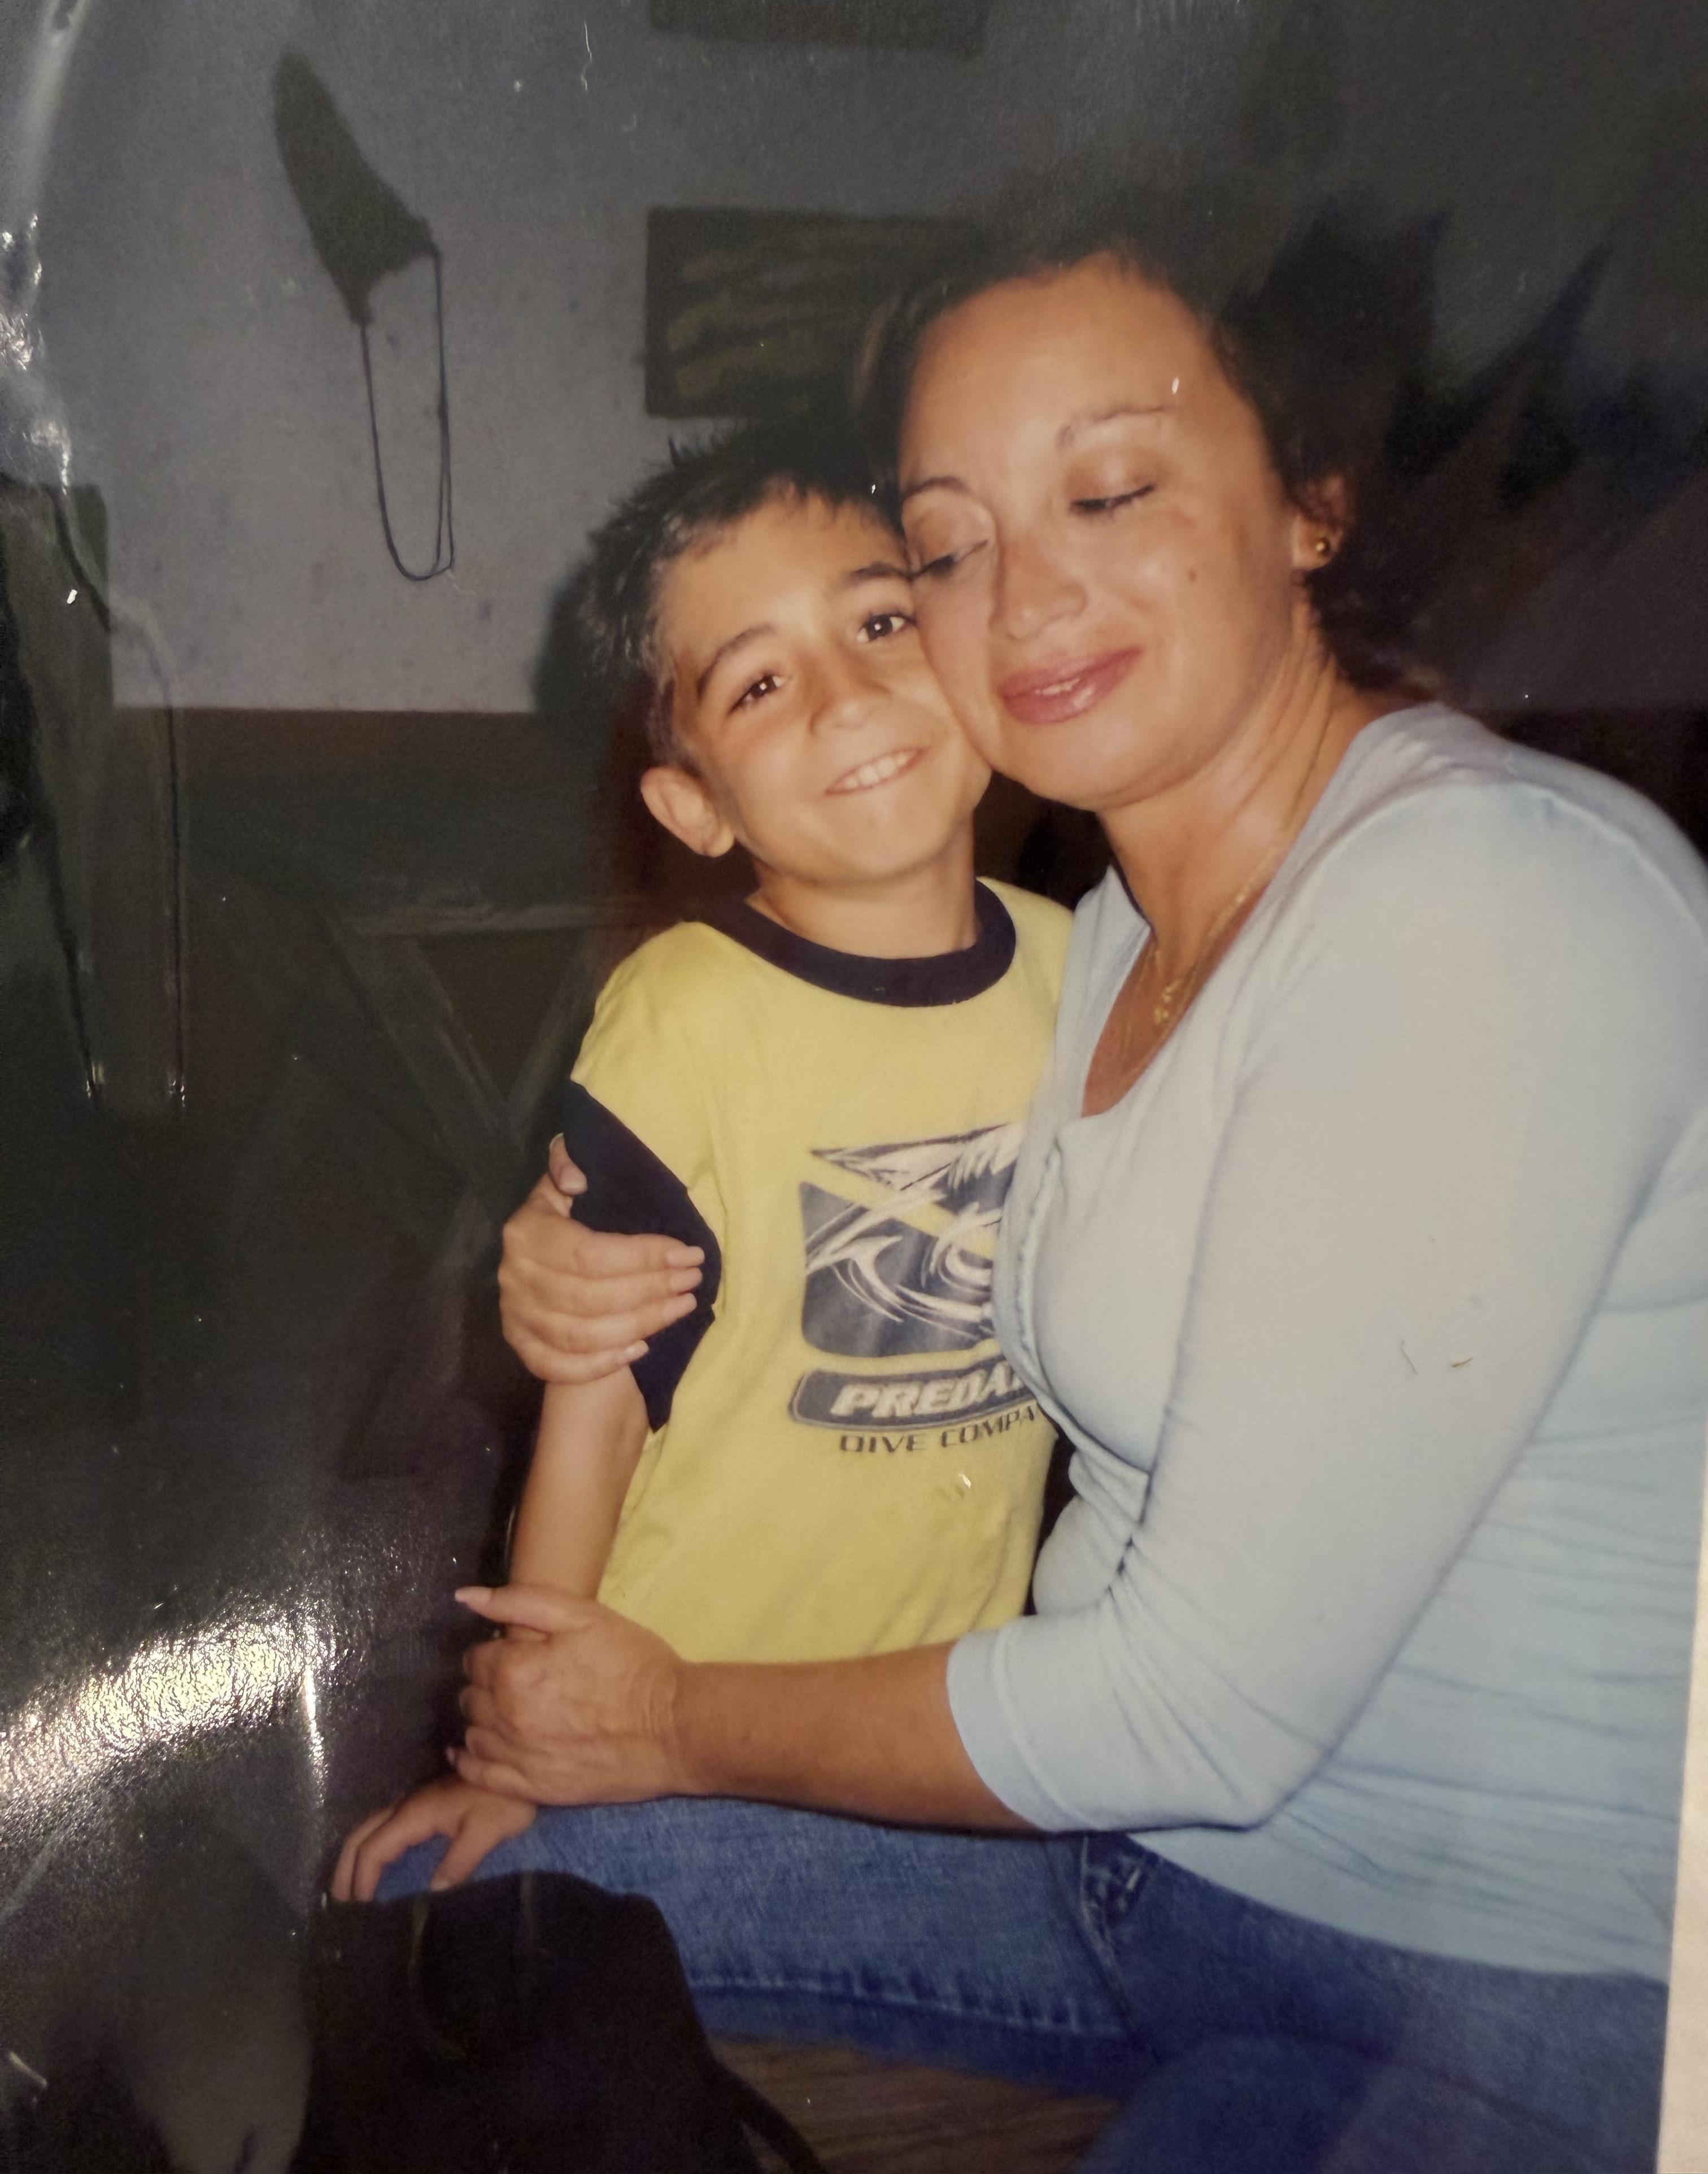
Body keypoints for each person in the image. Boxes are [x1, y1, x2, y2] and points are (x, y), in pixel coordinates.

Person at [385, 194, 1708, 2173]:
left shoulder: (1482, 906)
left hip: (1450, 1996)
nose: (1025, 594)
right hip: (1108, 1887)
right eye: (950, 542)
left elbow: (1202, 1712)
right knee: (445, 1915)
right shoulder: (1098, 940)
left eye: (1110, 490)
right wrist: (564, 1269)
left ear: (1307, 506)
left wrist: (657, 1731)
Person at [333, 416, 1069, 1901]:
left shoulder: (1086, 967)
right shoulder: (684, 1015)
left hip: (936, 1732)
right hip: (671, 1690)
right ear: (699, 808)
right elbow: (593, 1390)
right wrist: (516, 1750)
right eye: (759, 682)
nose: (849, 695)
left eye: (880, 621)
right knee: (439, 1915)